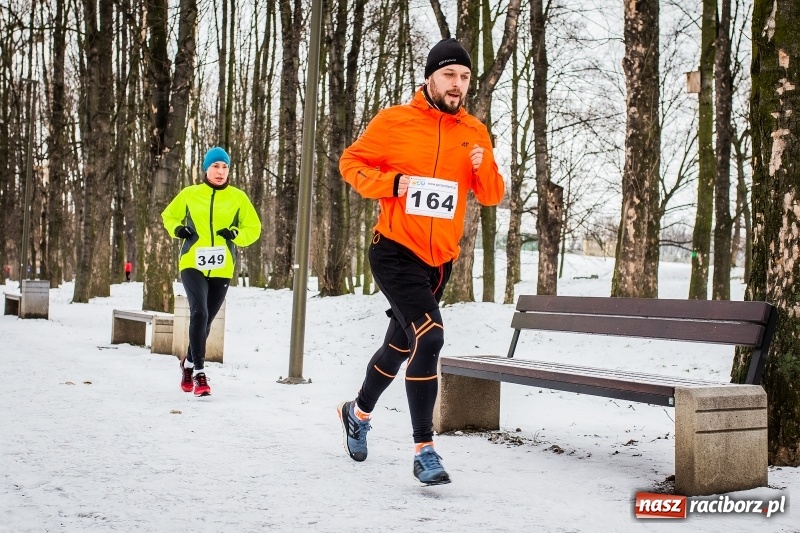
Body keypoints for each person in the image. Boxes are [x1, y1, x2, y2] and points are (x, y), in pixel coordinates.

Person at [337, 38, 505, 485]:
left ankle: (357, 413)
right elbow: (350, 163)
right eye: (450, 75)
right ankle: (424, 449)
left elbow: (490, 194)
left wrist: (483, 163)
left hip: (438, 262)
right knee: (430, 338)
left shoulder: (474, 131)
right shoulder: (395, 121)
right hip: (393, 250)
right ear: (430, 76)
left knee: (400, 346)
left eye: (465, 77)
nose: (458, 84)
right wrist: (391, 183)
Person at [161, 146, 261, 396]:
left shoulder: (238, 198)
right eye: (215, 166)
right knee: (199, 312)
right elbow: (168, 216)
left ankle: (189, 362)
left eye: (224, 167)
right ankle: (200, 375)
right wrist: (178, 230)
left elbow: (254, 228)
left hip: (222, 266)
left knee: (206, 322)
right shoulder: (190, 194)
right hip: (192, 262)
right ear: (207, 169)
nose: (220, 171)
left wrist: (236, 234)